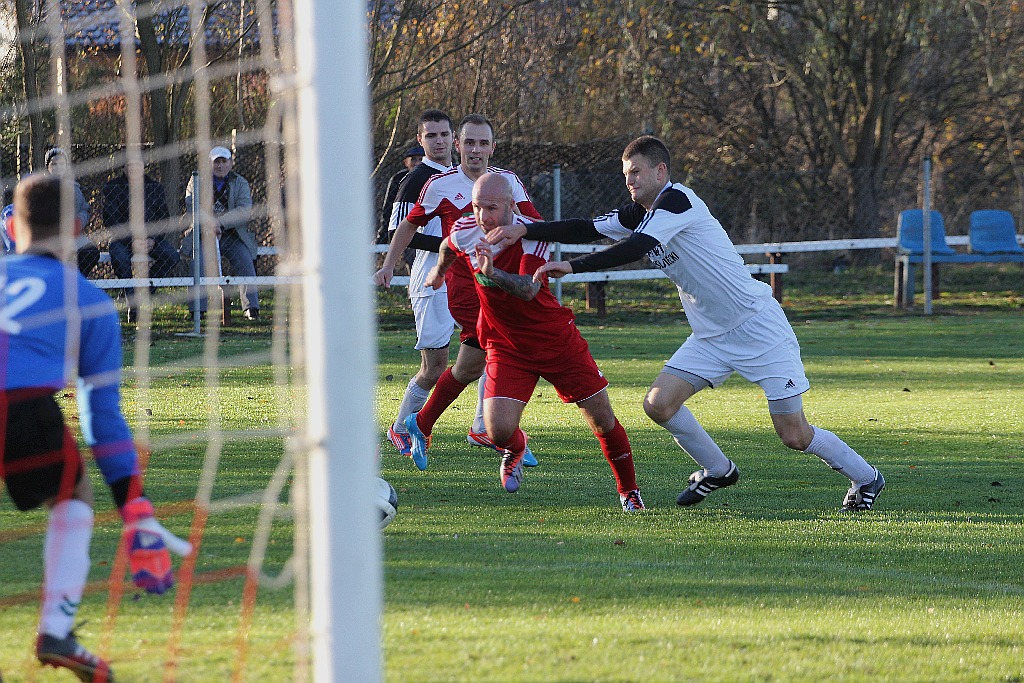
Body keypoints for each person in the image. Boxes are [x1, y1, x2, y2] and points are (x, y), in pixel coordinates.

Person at [489, 135, 885, 512]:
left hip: (759, 328)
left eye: (637, 172)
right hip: (711, 336)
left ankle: (866, 478)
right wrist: (526, 228)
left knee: (794, 435)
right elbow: (585, 227)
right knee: (658, 405)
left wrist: (574, 266)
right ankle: (719, 470)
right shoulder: (638, 214)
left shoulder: (678, 202)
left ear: (661, 172)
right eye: (625, 174)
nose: (629, 181)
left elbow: (637, 246)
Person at [1, 174, 192, 682]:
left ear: (11, 228)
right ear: (80, 228)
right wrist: (136, 509)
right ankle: (56, 629)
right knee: (73, 493)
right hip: (19, 409)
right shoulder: (87, 300)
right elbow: (100, 416)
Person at [426, 173, 644, 510]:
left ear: (511, 205)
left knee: (602, 420)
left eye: (492, 208)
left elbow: (528, 290)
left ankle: (628, 490)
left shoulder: (530, 234)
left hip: (554, 341)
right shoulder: (467, 228)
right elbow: (448, 245)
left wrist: (492, 272)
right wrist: (439, 271)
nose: (484, 216)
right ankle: (516, 447)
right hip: (506, 345)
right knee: (498, 431)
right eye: (477, 207)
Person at [374, 113, 542, 471]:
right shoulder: (439, 184)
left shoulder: (508, 182)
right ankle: (483, 428)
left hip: (498, 285)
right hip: (464, 288)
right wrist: (388, 264)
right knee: (496, 350)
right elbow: (408, 225)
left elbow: (536, 223)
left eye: (483, 143)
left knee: (469, 364)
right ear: (458, 146)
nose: (476, 150)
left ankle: (425, 424)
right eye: (469, 143)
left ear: (493, 148)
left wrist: (535, 257)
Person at [181, 146, 260, 320]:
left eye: (224, 161)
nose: (220, 165)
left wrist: (220, 223)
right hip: (203, 234)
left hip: (232, 235)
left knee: (245, 259)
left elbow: (244, 211)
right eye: (217, 162)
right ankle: (198, 310)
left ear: (231, 163)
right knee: (198, 262)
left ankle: (251, 308)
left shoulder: (240, 183)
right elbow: (192, 206)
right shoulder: (196, 181)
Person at [102, 159, 181, 323]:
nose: (133, 168)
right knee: (120, 257)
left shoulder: (154, 187)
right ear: (124, 167)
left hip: (151, 240)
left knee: (171, 256)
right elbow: (111, 219)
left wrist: (153, 240)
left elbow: (163, 218)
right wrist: (131, 241)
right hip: (122, 240)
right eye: (129, 164)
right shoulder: (112, 187)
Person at [43, 147, 101, 278]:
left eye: (62, 164)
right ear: (48, 167)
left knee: (90, 252)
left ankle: (75, 281)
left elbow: (84, 209)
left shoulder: (74, 188)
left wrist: (79, 222)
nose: (58, 167)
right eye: (54, 164)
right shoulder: (41, 189)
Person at [376, 144, 424, 245]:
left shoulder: (434, 177)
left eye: (421, 159)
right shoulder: (398, 179)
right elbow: (388, 210)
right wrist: (382, 237)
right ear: (406, 162)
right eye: (413, 159)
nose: (417, 163)